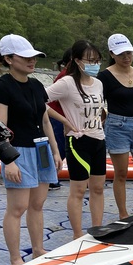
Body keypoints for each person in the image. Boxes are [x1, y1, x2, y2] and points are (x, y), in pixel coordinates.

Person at [0, 34, 62, 265]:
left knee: (38, 203)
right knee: (17, 207)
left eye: (34, 57)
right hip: (19, 151)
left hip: (42, 148)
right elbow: (0, 127)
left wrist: (56, 151)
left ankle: (38, 250)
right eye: (25, 57)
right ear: (8, 58)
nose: (32, 61)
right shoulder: (3, 86)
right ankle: (15, 259)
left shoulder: (36, 85)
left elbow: (45, 121)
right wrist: (9, 161)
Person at [45, 40, 107, 239]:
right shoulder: (67, 83)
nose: (94, 64)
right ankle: (77, 234)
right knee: (79, 190)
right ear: (77, 60)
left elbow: (97, 109)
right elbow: (37, 99)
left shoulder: (98, 83)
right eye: (90, 60)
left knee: (98, 188)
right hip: (78, 141)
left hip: (99, 139)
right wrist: (65, 120)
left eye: (97, 61)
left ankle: (97, 229)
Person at [98, 34, 133, 219]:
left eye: (129, 53)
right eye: (121, 54)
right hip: (117, 125)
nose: (126, 57)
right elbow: (98, 104)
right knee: (121, 173)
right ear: (112, 54)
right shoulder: (104, 76)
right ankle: (123, 213)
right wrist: (102, 120)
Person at [46, 47, 72, 189]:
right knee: (58, 148)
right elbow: (46, 99)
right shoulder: (65, 76)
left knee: (61, 148)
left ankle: (52, 177)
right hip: (57, 117)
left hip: (64, 117)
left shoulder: (70, 75)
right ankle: (51, 178)